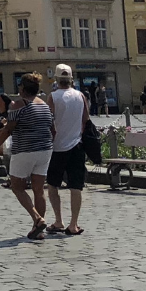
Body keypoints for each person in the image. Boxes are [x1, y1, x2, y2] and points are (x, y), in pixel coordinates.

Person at [0, 75, 53, 239]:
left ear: (22, 88)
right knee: (38, 190)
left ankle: (37, 219)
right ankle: (38, 231)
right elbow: (53, 130)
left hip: (24, 150)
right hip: (45, 149)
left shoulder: (18, 105)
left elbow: (9, 129)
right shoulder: (44, 105)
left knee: (17, 186)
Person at [46, 64, 90, 236]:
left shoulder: (53, 97)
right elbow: (86, 119)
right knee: (75, 186)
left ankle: (58, 220)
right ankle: (73, 224)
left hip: (57, 147)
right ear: (71, 79)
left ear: (56, 79)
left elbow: (50, 120)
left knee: (53, 185)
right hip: (77, 145)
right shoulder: (81, 96)